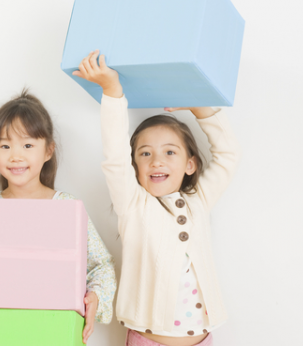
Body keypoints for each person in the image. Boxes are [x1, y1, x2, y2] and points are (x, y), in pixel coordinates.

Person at [73, 51, 241, 346]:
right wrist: (112, 91)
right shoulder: (134, 206)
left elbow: (228, 155)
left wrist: (200, 108)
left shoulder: (198, 201)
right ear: (134, 167)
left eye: (170, 152)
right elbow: (115, 158)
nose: (157, 161)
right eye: (145, 153)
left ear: (190, 164)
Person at [0, 89, 117, 344]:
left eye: (27, 145)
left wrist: (95, 296)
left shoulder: (67, 207)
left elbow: (101, 265)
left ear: (48, 151)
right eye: (4, 146)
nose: (15, 156)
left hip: (52, 330)